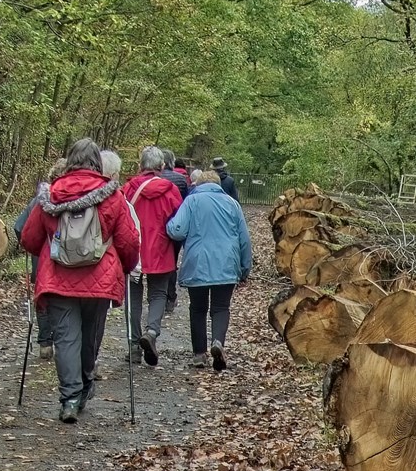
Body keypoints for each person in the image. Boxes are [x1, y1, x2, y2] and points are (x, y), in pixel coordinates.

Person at [14, 137, 140, 424]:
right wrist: (127, 266)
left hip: (58, 278)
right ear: (97, 162)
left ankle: (69, 398)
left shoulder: (51, 194)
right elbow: (128, 240)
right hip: (99, 279)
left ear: (70, 160)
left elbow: (29, 238)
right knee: (91, 335)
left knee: (66, 338)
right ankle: (85, 385)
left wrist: (47, 251)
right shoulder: (112, 195)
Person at [167, 167, 253, 371]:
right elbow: (244, 239)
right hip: (226, 262)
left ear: (199, 185)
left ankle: (199, 354)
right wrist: (245, 268)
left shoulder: (192, 201)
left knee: (197, 308)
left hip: (198, 262)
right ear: (218, 185)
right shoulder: (232, 204)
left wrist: (168, 225)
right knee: (221, 307)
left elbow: (177, 230)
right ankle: (218, 342)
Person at [117, 145, 188, 365]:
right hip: (161, 249)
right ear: (162, 166)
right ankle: (152, 331)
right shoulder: (170, 190)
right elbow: (178, 221)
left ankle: (134, 346)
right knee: (158, 294)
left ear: (141, 165)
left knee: (133, 297)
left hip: (133, 249)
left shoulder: (128, 188)